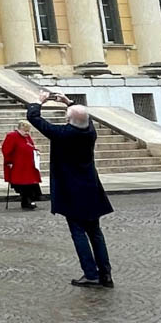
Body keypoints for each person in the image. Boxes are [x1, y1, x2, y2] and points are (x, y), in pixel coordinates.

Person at [29, 91, 114, 287]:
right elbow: (85, 118)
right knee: (96, 233)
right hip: (91, 189)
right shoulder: (90, 133)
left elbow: (33, 117)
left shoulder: (63, 135)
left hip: (71, 191)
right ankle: (106, 274)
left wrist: (39, 101)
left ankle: (91, 274)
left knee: (78, 232)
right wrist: (69, 102)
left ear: (68, 120)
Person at [2, 121, 43, 210]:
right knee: (23, 184)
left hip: (29, 165)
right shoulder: (12, 136)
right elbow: (6, 150)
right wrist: (9, 161)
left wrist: (35, 150)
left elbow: (31, 145)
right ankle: (27, 201)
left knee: (30, 183)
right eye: (25, 131)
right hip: (18, 165)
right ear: (19, 129)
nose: (27, 133)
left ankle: (27, 201)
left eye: (28, 131)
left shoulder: (27, 137)